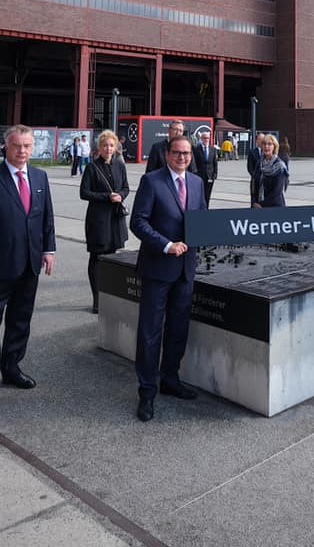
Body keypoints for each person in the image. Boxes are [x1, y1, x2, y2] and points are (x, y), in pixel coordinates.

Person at [0, 124, 55, 411]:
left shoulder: (40, 177)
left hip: (29, 263)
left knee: (20, 320)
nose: (22, 151)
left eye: (27, 146)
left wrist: (48, 250)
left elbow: (46, 219)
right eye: (17, 146)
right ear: (7, 146)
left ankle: (12, 368)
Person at [131, 135, 206, 422]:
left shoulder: (197, 183)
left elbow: (201, 218)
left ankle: (170, 379)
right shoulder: (152, 181)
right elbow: (138, 221)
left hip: (186, 268)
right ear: (167, 153)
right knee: (150, 332)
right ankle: (146, 391)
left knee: (178, 328)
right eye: (177, 153)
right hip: (158, 267)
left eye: (186, 153)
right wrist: (165, 244)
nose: (183, 158)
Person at [80, 130, 130, 313]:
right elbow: (84, 193)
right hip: (98, 218)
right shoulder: (92, 167)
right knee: (97, 257)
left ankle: (110, 296)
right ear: (99, 148)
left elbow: (126, 187)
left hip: (115, 218)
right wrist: (106, 196)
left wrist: (120, 195)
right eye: (105, 145)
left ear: (116, 146)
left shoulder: (120, 165)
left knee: (111, 256)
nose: (108, 148)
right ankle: (97, 299)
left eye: (111, 145)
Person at [252, 134, 287, 208]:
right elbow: (253, 183)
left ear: (274, 146)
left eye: (269, 144)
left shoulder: (279, 165)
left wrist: (262, 204)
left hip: (274, 206)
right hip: (258, 206)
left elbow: (277, 190)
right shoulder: (259, 163)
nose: (266, 146)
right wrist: (254, 201)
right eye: (264, 144)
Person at [193, 129, 218, 207]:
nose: (206, 139)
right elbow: (194, 163)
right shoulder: (196, 149)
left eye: (208, 138)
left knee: (208, 195)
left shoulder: (212, 149)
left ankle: (206, 209)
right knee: (199, 195)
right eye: (204, 138)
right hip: (199, 176)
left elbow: (215, 163)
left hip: (210, 177)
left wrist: (215, 175)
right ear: (201, 139)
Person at [247, 132, 265, 204]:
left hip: (265, 182)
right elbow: (249, 167)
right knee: (254, 201)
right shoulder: (252, 152)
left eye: (263, 139)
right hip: (255, 181)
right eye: (260, 139)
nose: (262, 141)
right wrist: (256, 176)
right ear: (257, 141)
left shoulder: (267, 152)